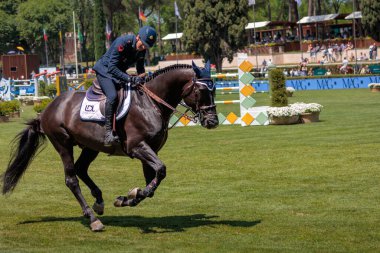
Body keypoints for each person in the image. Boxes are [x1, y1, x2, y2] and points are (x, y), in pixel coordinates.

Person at [93, 25, 157, 146]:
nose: (143, 48)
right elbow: (112, 67)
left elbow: (140, 67)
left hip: (118, 73)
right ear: (137, 37)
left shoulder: (142, 49)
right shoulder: (123, 42)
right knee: (112, 96)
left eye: (146, 47)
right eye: (142, 44)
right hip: (105, 71)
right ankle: (107, 133)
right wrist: (130, 79)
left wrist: (143, 79)